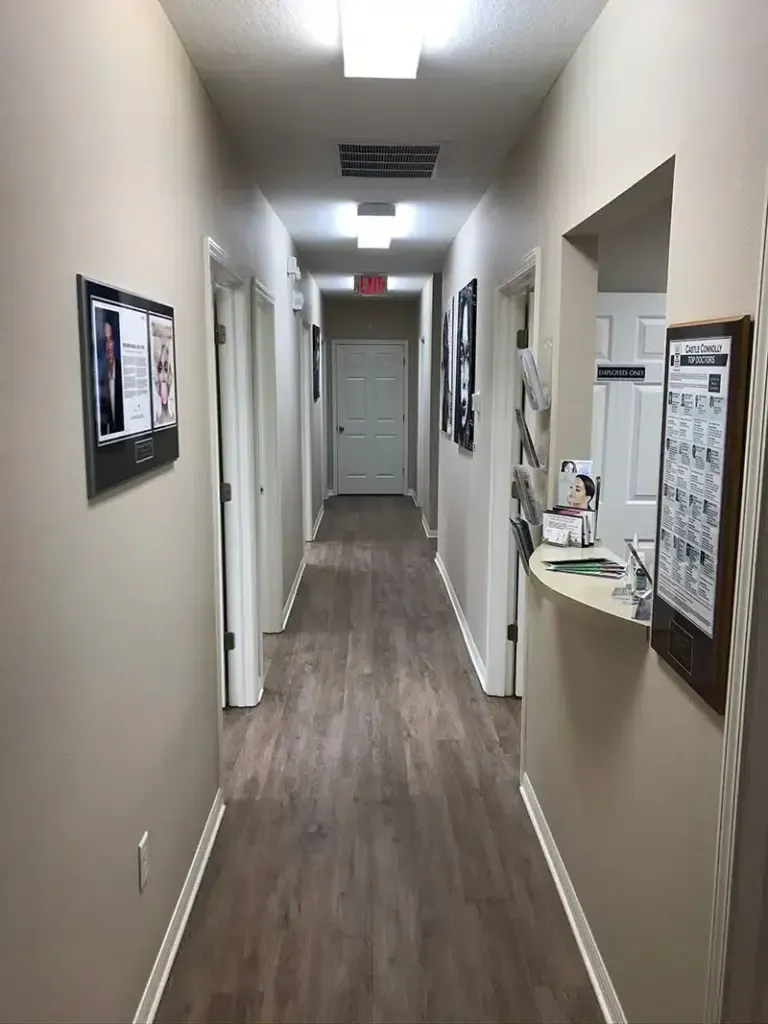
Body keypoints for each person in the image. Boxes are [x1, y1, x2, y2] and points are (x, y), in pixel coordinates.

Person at [99, 319, 124, 435]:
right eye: (105, 340)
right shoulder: (101, 374)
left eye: (110, 340)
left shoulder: (123, 370)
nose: (108, 346)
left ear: (114, 342)